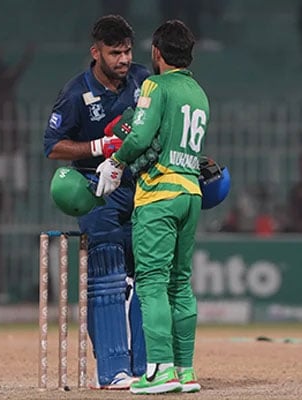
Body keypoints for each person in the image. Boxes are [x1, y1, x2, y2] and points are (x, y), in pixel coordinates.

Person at [96, 19, 208, 394]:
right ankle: (185, 371)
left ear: (157, 54)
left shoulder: (155, 85)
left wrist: (116, 162)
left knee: (152, 283)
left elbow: (141, 134)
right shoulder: (198, 93)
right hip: (191, 193)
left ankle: (159, 371)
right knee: (180, 284)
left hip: (159, 195)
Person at [42, 15, 148, 389]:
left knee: (149, 276)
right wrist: (97, 147)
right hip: (97, 186)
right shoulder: (75, 93)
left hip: (139, 184)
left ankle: (144, 367)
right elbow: (52, 146)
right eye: (114, 52)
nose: (123, 59)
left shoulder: (141, 79)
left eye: (127, 51)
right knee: (107, 275)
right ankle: (113, 371)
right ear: (96, 52)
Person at [0, 44, 35, 201]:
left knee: (18, 181)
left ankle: (19, 199)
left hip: (12, 146)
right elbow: (15, 73)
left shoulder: (4, 98)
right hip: (4, 146)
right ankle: (2, 199)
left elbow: (16, 73)